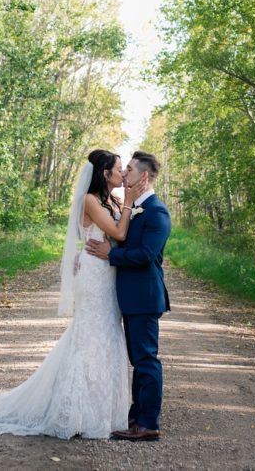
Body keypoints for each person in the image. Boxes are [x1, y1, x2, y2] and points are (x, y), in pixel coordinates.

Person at [0, 149, 145, 439]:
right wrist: (127, 204)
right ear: (104, 174)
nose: (121, 173)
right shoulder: (90, 200)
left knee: (107, 334)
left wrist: (125, 204)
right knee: (89, 334)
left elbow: (115, 235)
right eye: (117, 168)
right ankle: (74, 411)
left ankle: (103, 409)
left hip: (107, 273)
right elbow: (118, 234)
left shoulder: (112, 200)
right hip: (93, 276)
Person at [85, 150, 171, 442]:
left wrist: (113, 254)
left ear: (143, 177)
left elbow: (146, 255)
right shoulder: (133, 207)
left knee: (146, 360)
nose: (124, 175)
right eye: (123, 170)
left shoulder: (157, 212)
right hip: (132, 298)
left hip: (144, 298)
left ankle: (148, 423)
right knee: (139, 359)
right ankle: (136, 419)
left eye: (130, 170)